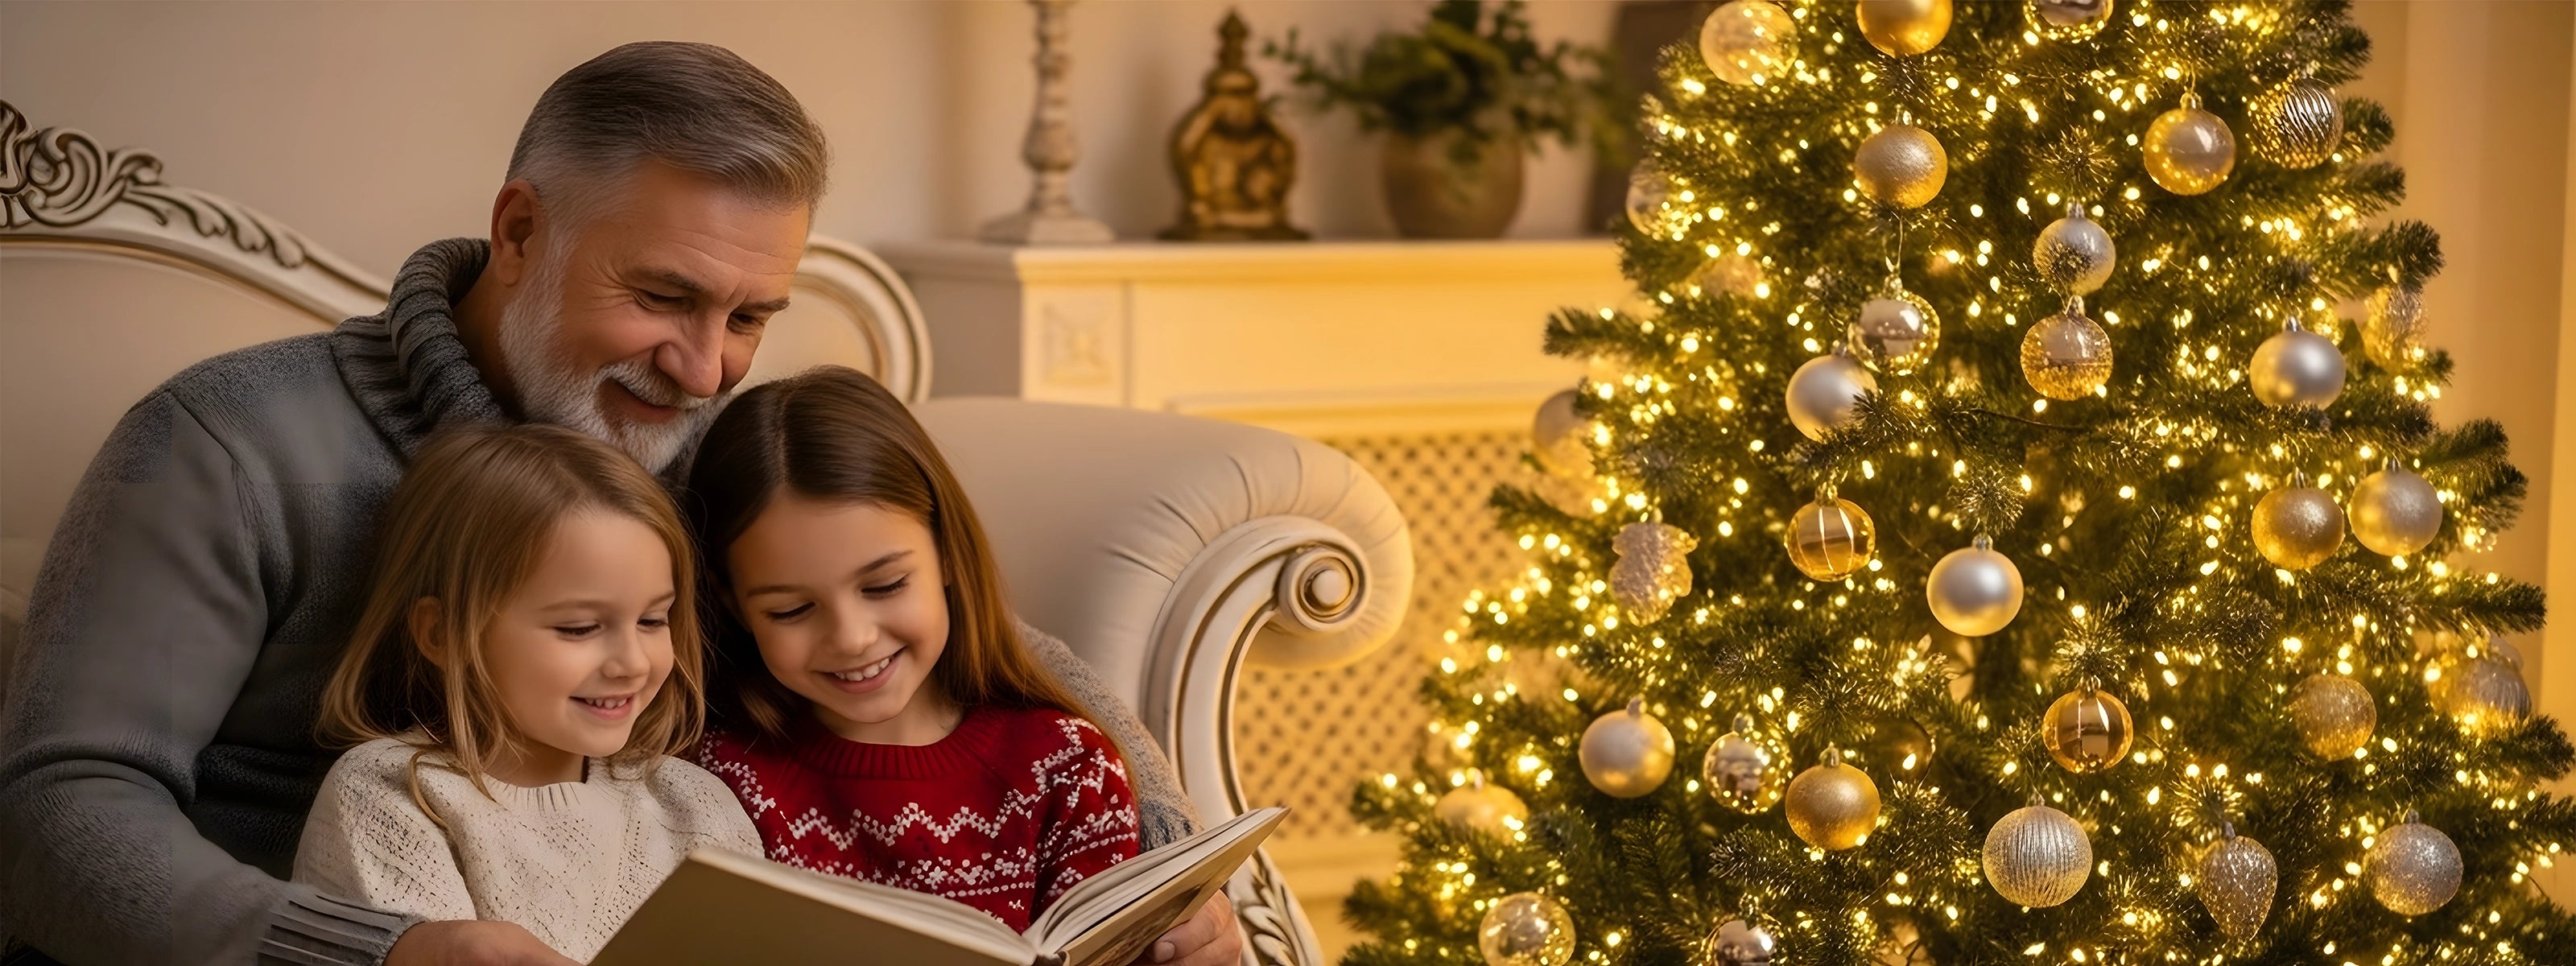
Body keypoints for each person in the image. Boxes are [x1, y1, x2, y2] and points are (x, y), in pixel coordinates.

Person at [0, 42, 1238, 966]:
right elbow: (58, 812)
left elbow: (998, 650)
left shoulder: (693, 449)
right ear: (518, 231)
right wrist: (371, 951)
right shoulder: (228, 441)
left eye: (750, 317)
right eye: (664, 298)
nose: (703, 369)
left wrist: (1165, 864)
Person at [687, 367, 1142, 928]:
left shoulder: (1070, 772)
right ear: (735, 607)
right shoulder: (716, 778)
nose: (852, 638)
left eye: (885, 586)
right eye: (792, 610)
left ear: (947, 553)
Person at [292, 424, 759, 961]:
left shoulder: (698, 805)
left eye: (653, 620)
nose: (633, 663)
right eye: (580, 628)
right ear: (444, 634)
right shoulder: (393, 795)